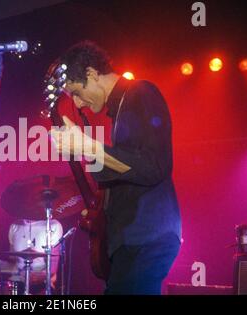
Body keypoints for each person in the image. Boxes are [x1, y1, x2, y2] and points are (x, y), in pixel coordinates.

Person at [49, 41, 182, 294]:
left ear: (91, 74)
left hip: (147, 237)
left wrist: (89, 147)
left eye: (76, 92)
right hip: (133, 241)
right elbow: (129, 168)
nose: (77, 104)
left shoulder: (141, 92)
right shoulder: (120, 110)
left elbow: (155, 166)